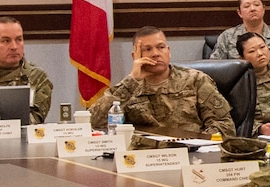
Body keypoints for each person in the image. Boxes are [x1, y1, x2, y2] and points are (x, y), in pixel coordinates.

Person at [90, 27, 235, 136]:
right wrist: (132, 80)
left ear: (168, 51)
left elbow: (224, 125)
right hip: (143, 158)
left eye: (161, 47)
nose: (155, 54)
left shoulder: (195, 80)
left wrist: (199, 143)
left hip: (190, 154)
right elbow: (96, 123)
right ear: (135, 56)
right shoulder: (128, 87)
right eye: (147, 49)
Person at [212, 0, 270, 68]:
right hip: (236, 80)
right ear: (239, 13)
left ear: (263, 9)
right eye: (247, 6)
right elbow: (214, 67)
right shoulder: (227, 36)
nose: (253, 9)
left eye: (256, 5)